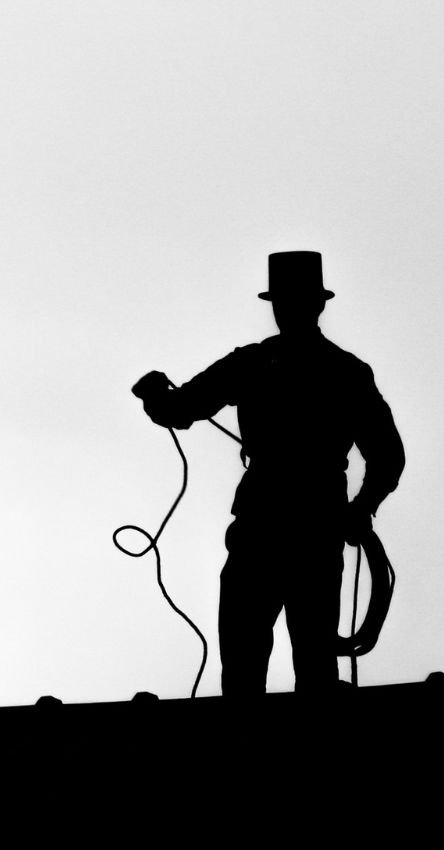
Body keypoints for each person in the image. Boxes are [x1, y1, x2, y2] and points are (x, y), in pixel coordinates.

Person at [132, 251, 404, 696]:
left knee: (253, 652)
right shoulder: (342, 370)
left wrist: (153, 397)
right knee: (300, 655)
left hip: (274, 523)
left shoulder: (258, 363)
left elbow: (178, 410)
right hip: (311, 523)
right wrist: (361, 508)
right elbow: (388, 457)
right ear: (319, 305)